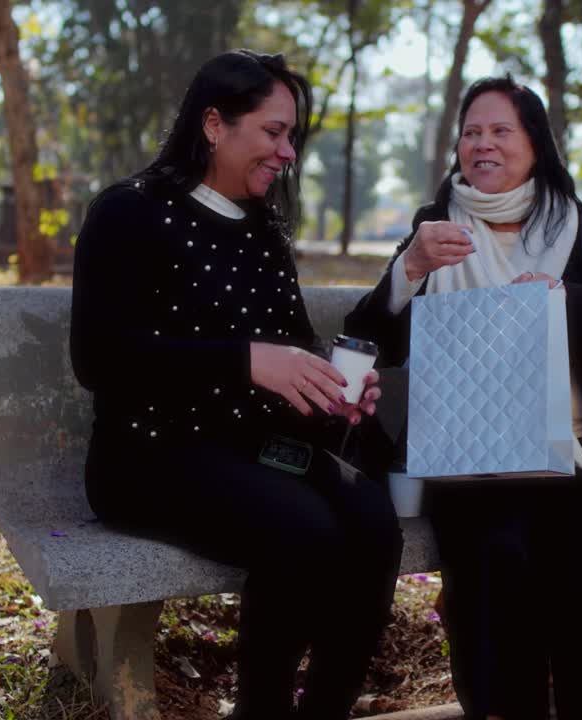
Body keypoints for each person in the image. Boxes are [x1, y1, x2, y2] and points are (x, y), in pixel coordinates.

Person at [70, 50, 403, 720]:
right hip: (149, 454)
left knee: (373, 518)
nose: (286, 152)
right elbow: (100, 357)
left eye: (291, 138)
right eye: (273, 132)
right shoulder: (127, 213)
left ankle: (327, 707)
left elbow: (291, 348)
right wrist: (244, 362)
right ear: (215, 123)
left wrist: (331, 389)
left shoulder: (262, 231)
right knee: (303, 530)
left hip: (253, 447)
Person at [345, 76, 582, 719]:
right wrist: (410, 269)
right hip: (470, 460)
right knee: (495, 572)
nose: (483, 144)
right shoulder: (435, 229)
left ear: (536, 143)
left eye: (502, 130)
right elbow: (368, 336)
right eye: (472, 132)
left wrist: (569, 304)